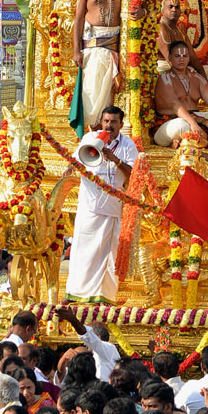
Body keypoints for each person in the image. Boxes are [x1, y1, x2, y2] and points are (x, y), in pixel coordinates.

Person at [64, 106, 138, 302]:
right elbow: (75, 160)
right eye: (106, 121)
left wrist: (116, 160)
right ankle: (76, 292)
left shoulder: (128, 145)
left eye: (113, 122)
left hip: (112, 204)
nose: (109, 125)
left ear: (121, 124)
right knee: (83, 247)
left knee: (108, 251)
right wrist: (69, 169)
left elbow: (134, 174)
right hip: (89, 203)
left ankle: (104, 295)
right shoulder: (91, 138)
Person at [72, 0, 143, 133]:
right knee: (92, 95)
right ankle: (94, 135)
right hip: (92, 48)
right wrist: (76, 51)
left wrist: (141, 12)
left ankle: (110, 134)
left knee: (112, 94)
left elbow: (143, 3)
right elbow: (78, 20)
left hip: (116, 46)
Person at [153, 41, 208, 148]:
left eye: (185, 56)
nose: (181, 59)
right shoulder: (164, 79)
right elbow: (175, 105)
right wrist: (193, 124)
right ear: (170, 58)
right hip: (169, 123)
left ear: (189, 58)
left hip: (194, 119)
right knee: (183, 126)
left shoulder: (197, 78)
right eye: (177, 56)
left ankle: (184, 141)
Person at [157, 0, 208, 83]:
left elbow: (193, 58)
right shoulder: (161, 28)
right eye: (170, 7)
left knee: (207, 70)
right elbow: (170, 58)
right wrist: (187, 73)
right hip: (165, 67)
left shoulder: (180, 31)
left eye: (176, 7)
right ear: (163, 11)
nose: (174, 10)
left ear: (180, 11)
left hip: (180, 65)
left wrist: (205, 81)